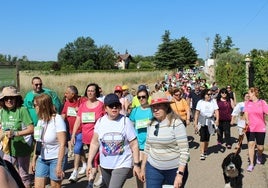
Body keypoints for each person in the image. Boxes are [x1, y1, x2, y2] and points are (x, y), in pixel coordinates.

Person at [86, 93, 141, 188]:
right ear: (105, 108)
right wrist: (89, 162)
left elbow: (134, 144)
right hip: (105, 165)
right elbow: (94, 143)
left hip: (122, 163)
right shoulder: (100, 122)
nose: (114, 108)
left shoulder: (125, 121)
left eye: (117, 105)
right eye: (111, 105)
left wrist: (136, 164)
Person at [140, 92, 190, 188]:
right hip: (153, 169)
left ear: (166, 107)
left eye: (159, 106)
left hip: (174, 170)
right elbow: (147, 146)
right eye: (153, 107)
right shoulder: (150, 124)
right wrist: (143, 167)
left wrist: (179, 174)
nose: (155, 109)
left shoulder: (176, 123)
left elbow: (184, 151)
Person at [71, 83, 105, 187]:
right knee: (94, 158)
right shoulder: (82, 105)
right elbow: (78, 119)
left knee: (95, 159)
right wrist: (73, 134)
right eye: (88, 90)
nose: (90, 92)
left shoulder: (101, 105)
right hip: (85, 136)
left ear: (96, 92)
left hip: (97, 138)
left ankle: (95, 180)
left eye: (92, 91)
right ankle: (100, 176)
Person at [0, 86, 34, 188]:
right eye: (6, 98)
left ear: (17, 99)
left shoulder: (22, 110)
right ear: (2, 100)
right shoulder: (2, 111)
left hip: (23, 147)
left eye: (12, 98)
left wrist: (15, 133)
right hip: (8, 148)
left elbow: (31, 129)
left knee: (23, 176)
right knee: (6, 171)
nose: (9, 100)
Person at [31, 93, 67, 188]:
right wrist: (34, 158)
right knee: (38, 186)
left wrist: (59, 165)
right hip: (42, 158)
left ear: (43, 106)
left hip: (56, 158)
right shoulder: (40, 120)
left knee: (54, 186)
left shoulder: (57, 120)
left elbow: (63, 144)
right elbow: (39, 141)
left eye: (35, 105)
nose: (34, 107)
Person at [61, 85, 88, 181]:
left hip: (82, 130)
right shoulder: (67, 102)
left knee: (76, 148)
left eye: (67, 93)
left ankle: (75, 172)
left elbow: (89, 111)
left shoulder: (83, 101)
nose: (65, 94)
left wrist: (80, 109)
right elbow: (63, 114)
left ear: (73, 94)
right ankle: (85, 164)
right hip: (72, 131)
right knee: (79, 149)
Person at [129, 88, 153, 188]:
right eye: (139, 97)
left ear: (147, 97)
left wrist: (150, 123)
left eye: (143, 97)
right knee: (138, 170)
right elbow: (130, 125)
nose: (141, 99)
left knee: (149, 170)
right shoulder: (135, 110)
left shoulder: (152, 110)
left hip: (150, 144)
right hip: (138, 145)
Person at [244, 87, 268, 172]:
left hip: (260, 128)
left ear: (254, 93)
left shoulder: (262, 103)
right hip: (250, 128)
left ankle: (259, 154)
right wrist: (247, 120)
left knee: (260, 147)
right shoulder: (247, 103)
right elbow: (246, 113)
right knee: (251, 144)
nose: (248, 95)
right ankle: (251, 164)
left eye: (249, 93)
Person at [194, 89, 219, 160]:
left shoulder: (213, 101)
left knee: (207, 137)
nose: (209, 96)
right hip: (202, 121)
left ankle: (205, 150)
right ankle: (202, 153)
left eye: (211, 94)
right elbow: (197, 113)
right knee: (202, 137)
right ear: (204, 95)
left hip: (210, 121)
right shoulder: (200, 102)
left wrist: (217, 120)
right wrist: (195, 123)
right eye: (208, 94)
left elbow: (216, 111)